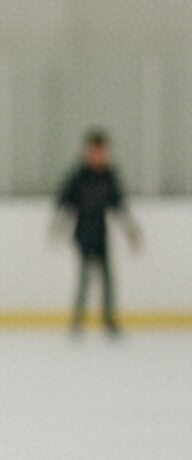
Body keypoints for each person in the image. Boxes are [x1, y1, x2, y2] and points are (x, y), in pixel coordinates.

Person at [55, 129, 142, 336]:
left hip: (101, 234)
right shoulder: (79, 176)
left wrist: (131, 231)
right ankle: (78, 320)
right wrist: (59, 226)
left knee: (108, 279)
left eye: (102, 151)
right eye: (95, 151)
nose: (99, 155)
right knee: (84, 278)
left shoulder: (109, 176)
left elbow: (118, 205)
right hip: (83, 233)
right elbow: (65, 202)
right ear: (88, 152)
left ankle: (109, 319)